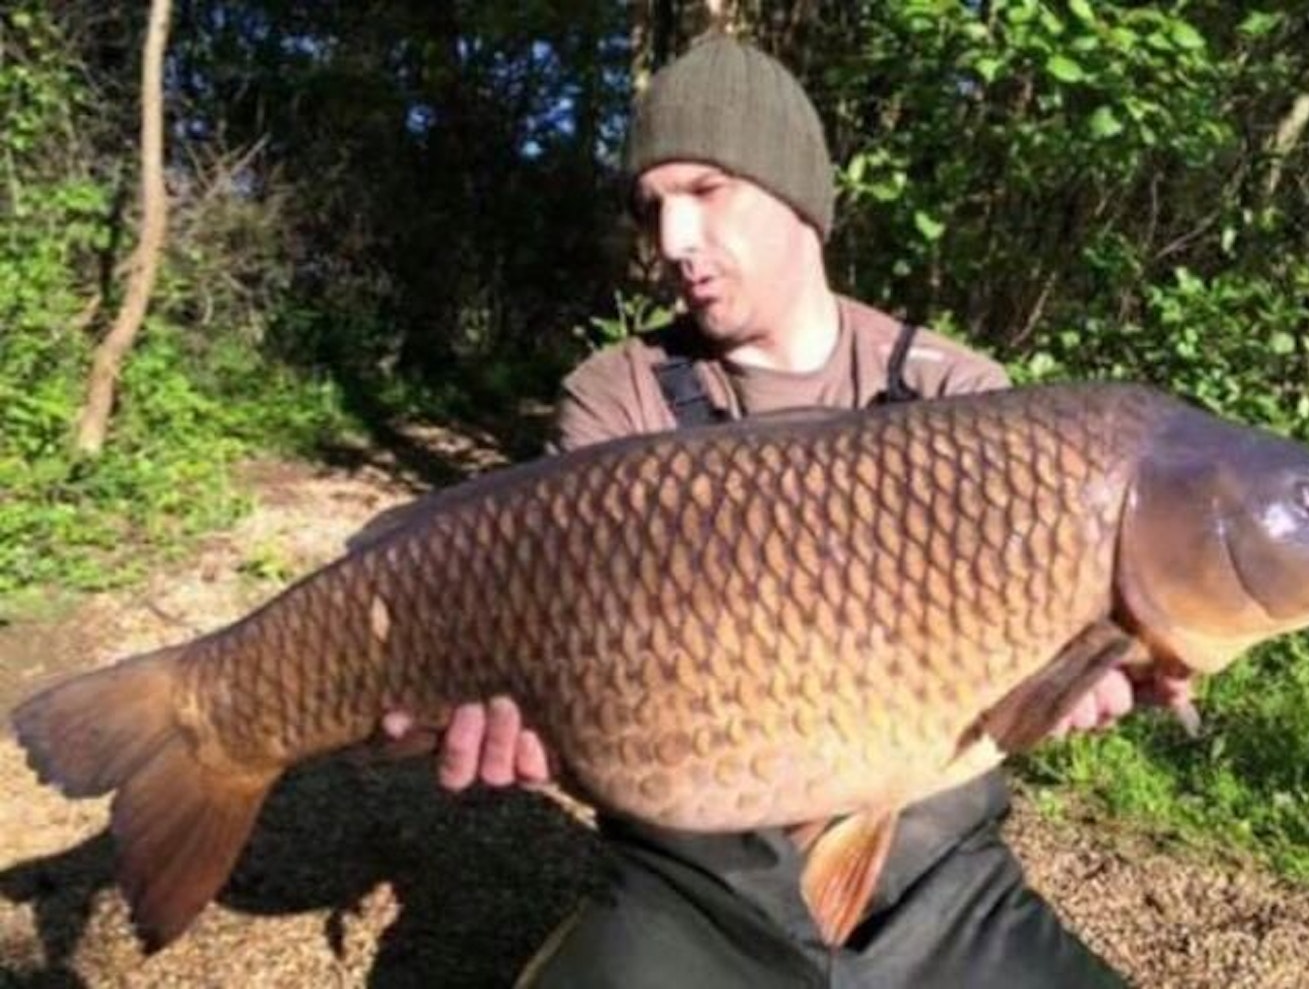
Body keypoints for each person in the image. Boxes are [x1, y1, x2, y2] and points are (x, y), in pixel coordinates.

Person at [383, 35, 1189, 988]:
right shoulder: (622, 397)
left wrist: (1085, 676)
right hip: (696, 886)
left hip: (938, 885)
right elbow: (537, 638)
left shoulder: (963, 397)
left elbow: (1059, 660)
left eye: (707, 189)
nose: (673, 241)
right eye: (653, 207)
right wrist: (512, 704)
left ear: (797, 196)